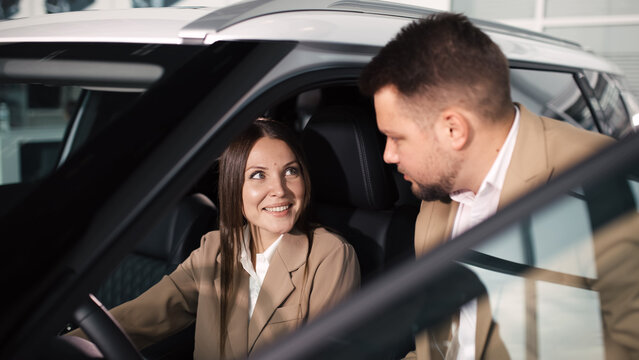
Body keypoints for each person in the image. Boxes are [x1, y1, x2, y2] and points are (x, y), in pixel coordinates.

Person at [359, 12, 613, 360]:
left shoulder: (604, 183)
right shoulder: (435, 197)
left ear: (453, 130)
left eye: (395, 137)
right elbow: (446, 342)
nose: (388, 155)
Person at [68, 119, 361, 359]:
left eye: (291, 171)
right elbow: (143, 316)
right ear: (235, 186)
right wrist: (57, 347)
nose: (280, 190)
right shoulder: (216, 248)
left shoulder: (330, 255)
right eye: (258, 175)